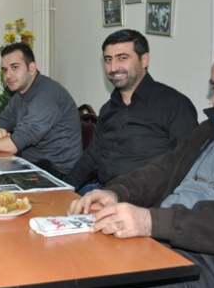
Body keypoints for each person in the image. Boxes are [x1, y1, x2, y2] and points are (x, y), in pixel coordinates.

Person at [67, 43, 214, 288]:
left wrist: (151, 221)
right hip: (160, 239)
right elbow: (163, 170)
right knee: (67, 254)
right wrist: (116, 193)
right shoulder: (210, 130)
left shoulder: (173, 104)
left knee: (86, 280)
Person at [63, 30, 198, 195]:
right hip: (101, 191)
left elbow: (189, 163)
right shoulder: (108, 109)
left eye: (122, 58)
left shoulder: (174, 104)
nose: (113, 68)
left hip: (146, 199)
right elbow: (91, 157)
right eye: (108, 59)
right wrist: (62, 189)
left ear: (144, 60)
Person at [0, 43, 82, 178]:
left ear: (31, 68)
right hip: (30, 162)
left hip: (57, 172)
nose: (8, 75)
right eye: (5, 70)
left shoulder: (46, 96)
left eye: (15, 67)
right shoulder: (20, 95)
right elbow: (2, 121)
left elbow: (13, 145)